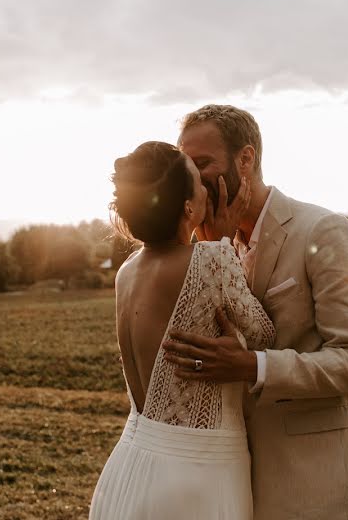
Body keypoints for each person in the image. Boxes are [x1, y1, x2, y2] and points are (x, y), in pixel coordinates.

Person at [163, 105, 348, 519]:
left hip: (312, 475)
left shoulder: (323, 231)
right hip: (231, 473)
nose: (190, 178)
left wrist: (254, 367)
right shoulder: (207, 245)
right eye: (185, 164)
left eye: (202, 163)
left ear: (246, 159)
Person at [88, 141, 276, 519]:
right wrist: (221, 244)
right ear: (189, 206)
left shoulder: (126, 273)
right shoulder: (214, 259)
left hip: (130, 462)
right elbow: (263, 336)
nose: (208, 187)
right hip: (197, 476)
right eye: (197, 181)